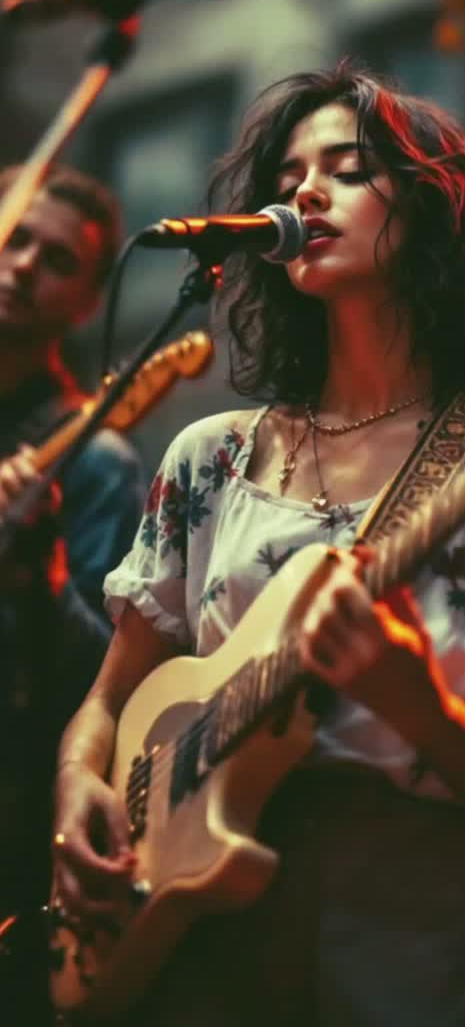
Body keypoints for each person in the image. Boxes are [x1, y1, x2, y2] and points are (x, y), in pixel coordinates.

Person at [52, 65, 465, 1027]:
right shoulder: (212, 458)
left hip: (439, 940)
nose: (307, 194)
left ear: (432, 212)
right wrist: (78, 783)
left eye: (349, 171)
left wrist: (413, 697)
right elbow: (110, 700)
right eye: (289, 180)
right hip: (223, 944)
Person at [0, 164, 145, 1014]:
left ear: (89, 304)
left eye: (56, 260)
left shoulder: (94, 465)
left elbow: (106, 688)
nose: (23, 266)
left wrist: (39, 579)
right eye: (15, 237)